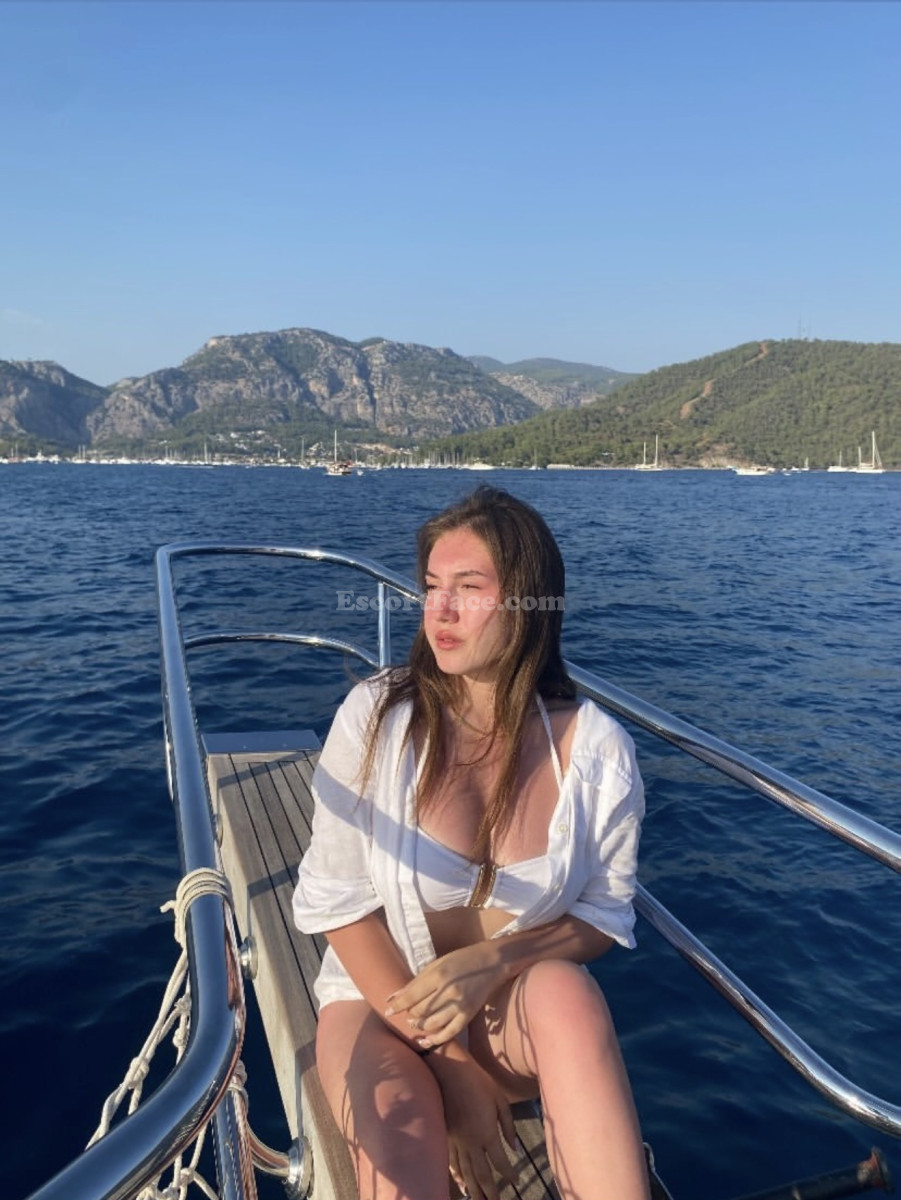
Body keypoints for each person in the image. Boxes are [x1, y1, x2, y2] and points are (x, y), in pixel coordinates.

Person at [293, 486, 650, 1200]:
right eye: (431, 587)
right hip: (380, 1006)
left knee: (567, 994)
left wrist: (494, 960)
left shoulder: (595, 751)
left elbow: (603, 915)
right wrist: (450, 1066)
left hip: (504, 1018)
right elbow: (338, 906)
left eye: (469, 588)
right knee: (405, 1135)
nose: (440, 612)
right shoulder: (377, 718)